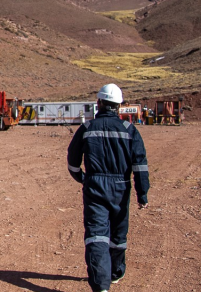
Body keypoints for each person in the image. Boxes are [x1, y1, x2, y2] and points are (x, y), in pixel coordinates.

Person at [67, 84, 150, 292]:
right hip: (121, 187)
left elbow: (72, 162)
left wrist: (82, 178)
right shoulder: (130, 130)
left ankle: (100, 284)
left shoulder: (87, 129)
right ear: (119, 106)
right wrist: (143, 193)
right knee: (118, 234)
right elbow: (139, 165)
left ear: (99, 104)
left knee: (96, 234)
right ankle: (115, 272)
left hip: (94, 186)